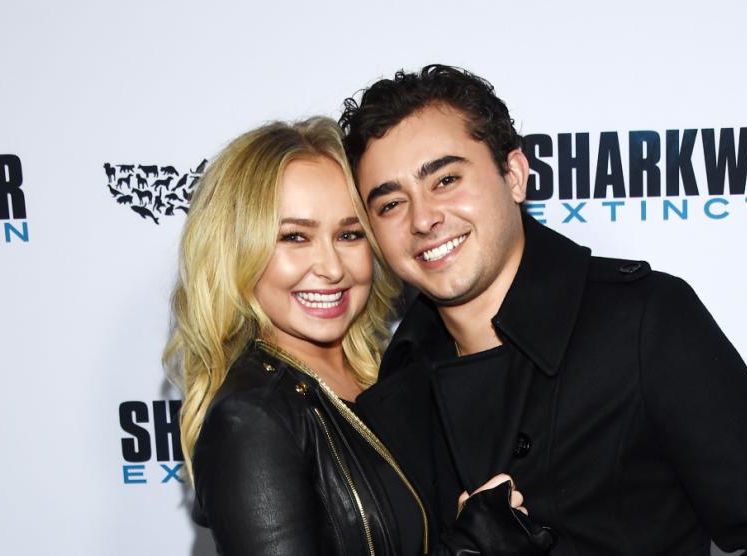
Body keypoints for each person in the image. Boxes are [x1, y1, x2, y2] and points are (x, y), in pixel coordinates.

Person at [340, 65, 747, 555]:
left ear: (514, 175)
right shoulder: (397, 384)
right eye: (390, 204)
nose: (424, 219)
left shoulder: (642, 321)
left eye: (446, 180)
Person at [164, 117, 554, 555]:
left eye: (349, 234)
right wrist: (476, 544)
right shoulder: (251, 419)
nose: (332, 268)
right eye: (295, 237)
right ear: (237, 251)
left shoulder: (390, 372)